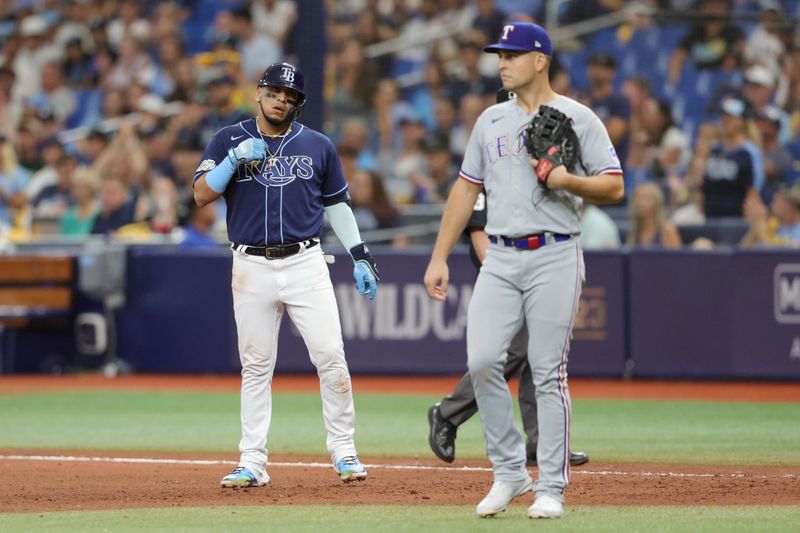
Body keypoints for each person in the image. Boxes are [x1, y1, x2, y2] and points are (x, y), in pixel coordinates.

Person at [423, 22, 624, 520]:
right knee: (484, 360)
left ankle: (551, 485)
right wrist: (439, 255)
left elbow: (615, 186)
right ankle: (510, 471)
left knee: (547, 371)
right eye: (499, 54)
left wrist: (565, 178)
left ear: (540, 60)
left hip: (555, 251)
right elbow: (466, 190)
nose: (501, 62)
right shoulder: (489, 120)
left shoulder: (578, 117)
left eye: (511, 54)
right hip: (501, 255)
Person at [193, 62, 379, 488]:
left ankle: (344, 451)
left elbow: (337, 205)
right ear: (258, 92)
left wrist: (361, 255)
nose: (282, 100)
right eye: (275, 92)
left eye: (291, 96)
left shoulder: (317, 145)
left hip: (305, 261)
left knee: (331, 356)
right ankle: (252, 461)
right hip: (250, 263)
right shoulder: (229, 139)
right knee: (255, 366)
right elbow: (202, 194)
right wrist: (232, 161)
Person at [427, 186, 590, 468]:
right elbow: (479, 236)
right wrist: (510, 279)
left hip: (539, 268)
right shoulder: (487, 173)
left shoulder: (531, 172)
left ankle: (542, 442)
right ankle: (448, 413)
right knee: (514, 351)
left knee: (538, 354)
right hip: (503, 276)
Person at [626, 182, 682, 248]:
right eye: (637, 197)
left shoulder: (667, 230)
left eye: (645, 198)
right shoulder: (634, 231)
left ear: (656, 203)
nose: (639, 202)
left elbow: (676, 257)